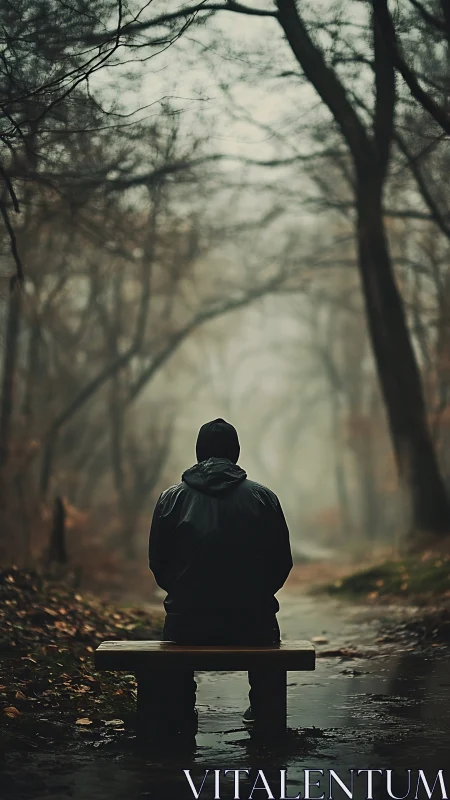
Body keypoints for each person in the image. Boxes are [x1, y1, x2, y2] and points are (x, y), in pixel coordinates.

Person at [148, 418, 293, 735]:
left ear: (199, 452)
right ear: (236, 452)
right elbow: (282, 561)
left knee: (175, 649)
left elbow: (158, 562)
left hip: (186, 623)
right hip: (253, 623)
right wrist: (257, 594)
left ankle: (179, 711)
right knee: (265, 630)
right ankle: (265, 712)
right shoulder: (263, 497)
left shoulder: (171, 498)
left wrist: (185, 593)